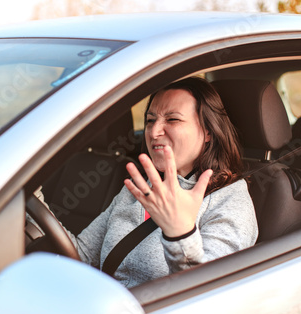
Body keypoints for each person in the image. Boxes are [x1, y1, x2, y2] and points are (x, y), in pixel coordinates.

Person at [33, 77, 258, 288]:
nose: (154, 131)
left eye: (172, 119)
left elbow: (206, 293)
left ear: (208, 132)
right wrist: (30, 194)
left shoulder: (230, 200)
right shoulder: (139, 187)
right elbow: (81, 256)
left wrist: (180, 233)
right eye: (150, 120)